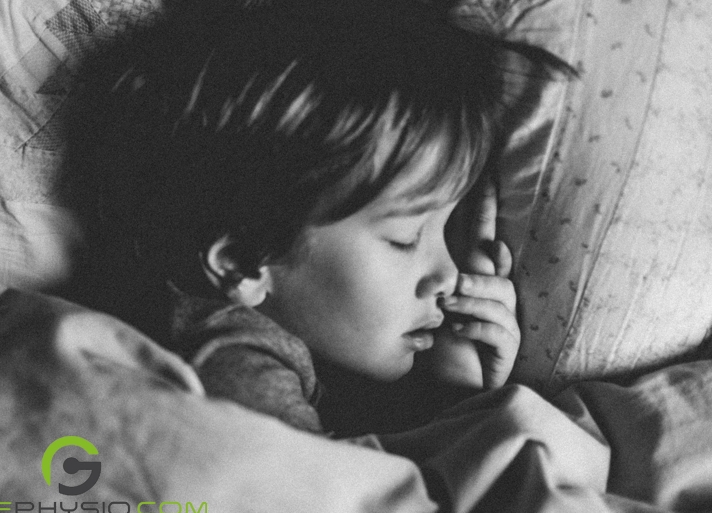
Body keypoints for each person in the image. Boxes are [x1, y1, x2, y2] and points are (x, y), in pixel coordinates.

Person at [65, 0, 568, 436]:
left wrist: (447, 387)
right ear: (243, 263)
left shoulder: (293, 338)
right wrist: (458, 409)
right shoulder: (232, 361)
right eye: (405, 238)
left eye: (445, 226)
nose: (449, 275)